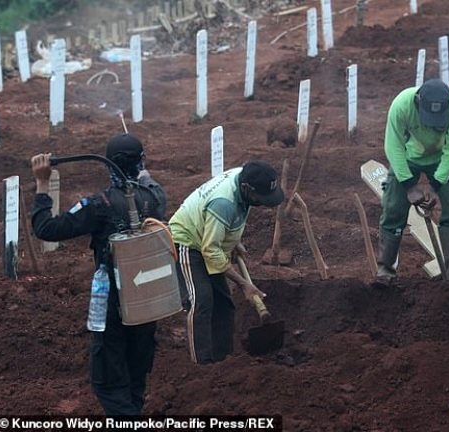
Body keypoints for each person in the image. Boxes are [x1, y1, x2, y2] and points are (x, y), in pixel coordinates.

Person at [31, 134, 167, 415]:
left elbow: (46, 229)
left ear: (108, 166)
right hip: (148, 303)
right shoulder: (155, 198)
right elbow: (148, 181)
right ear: (140, 162)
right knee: (135, 377)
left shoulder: (98, 205)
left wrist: (42, 184)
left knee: (107, 382)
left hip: (113, 309)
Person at [168, 160, 284, 364]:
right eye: (261, 198)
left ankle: (224, 361)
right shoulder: (224, 203)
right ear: (247, 188)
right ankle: (202, 365)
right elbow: (210, 249)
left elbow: (231, 218)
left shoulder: (243, 177)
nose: (263, 203)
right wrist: (243, 284)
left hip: (208, 236)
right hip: (187, 241)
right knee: (201, 300)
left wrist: (233, 240)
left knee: (224, 303)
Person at [374, 78, 449, 287]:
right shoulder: (401, 105)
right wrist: (408, 185)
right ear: (418, 101)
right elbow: (393, 147)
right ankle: (385, 272)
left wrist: (436, 186)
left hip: (444, 158)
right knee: (392, 209)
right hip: (409, 156)